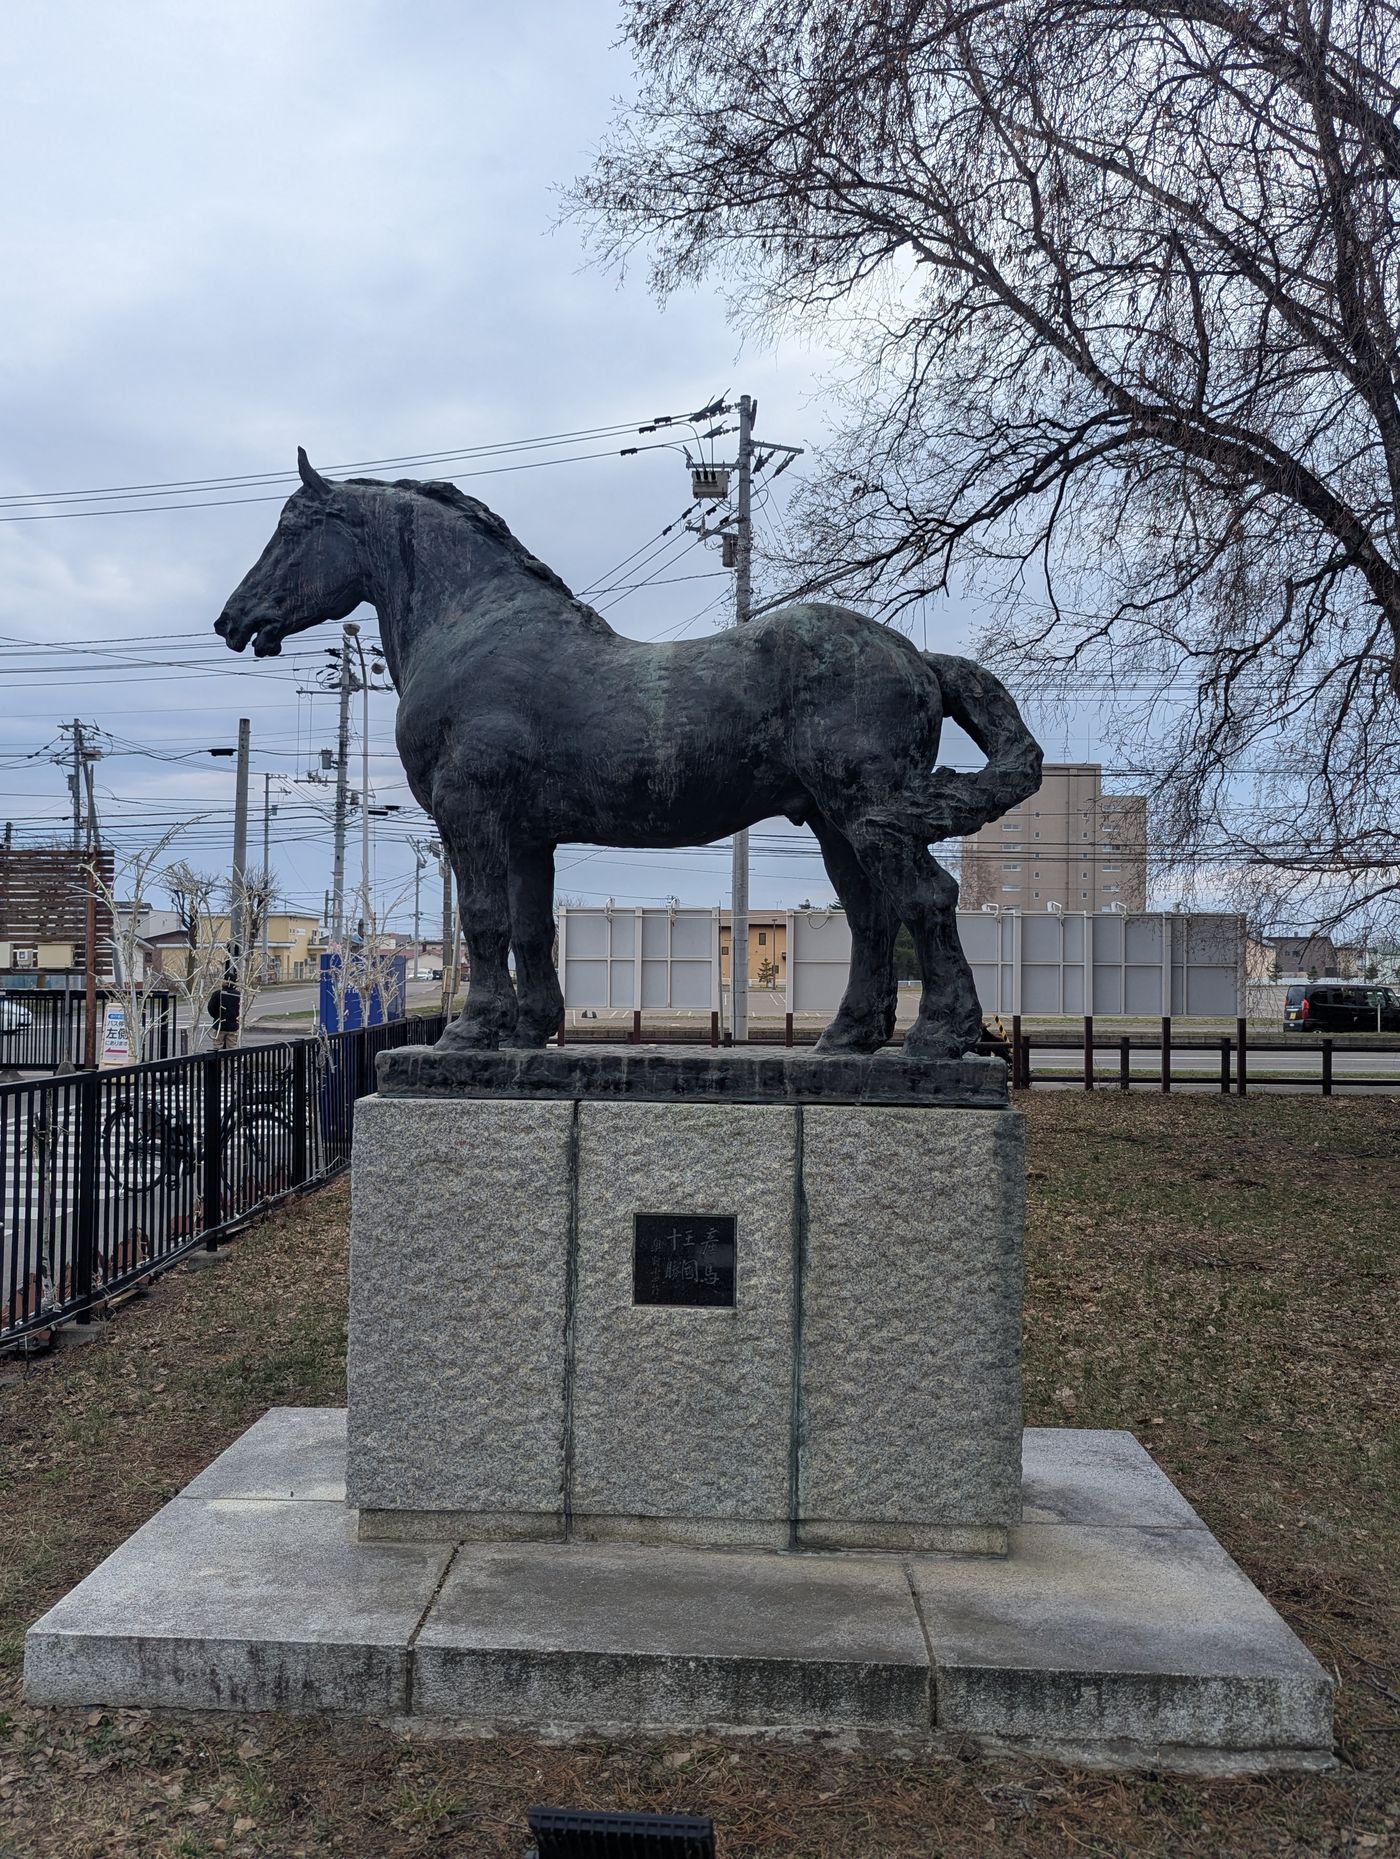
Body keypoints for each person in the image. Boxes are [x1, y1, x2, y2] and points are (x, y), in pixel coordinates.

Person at [209, 968, 242, 1050]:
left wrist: (216, 1016)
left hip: (220, 1024)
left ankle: (220, 1062)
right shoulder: (239, 995)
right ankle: (231, 1061)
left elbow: (211, 1008)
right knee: (232, 1047)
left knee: (217, 1047)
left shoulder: (217, 994)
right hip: (233, 1025)